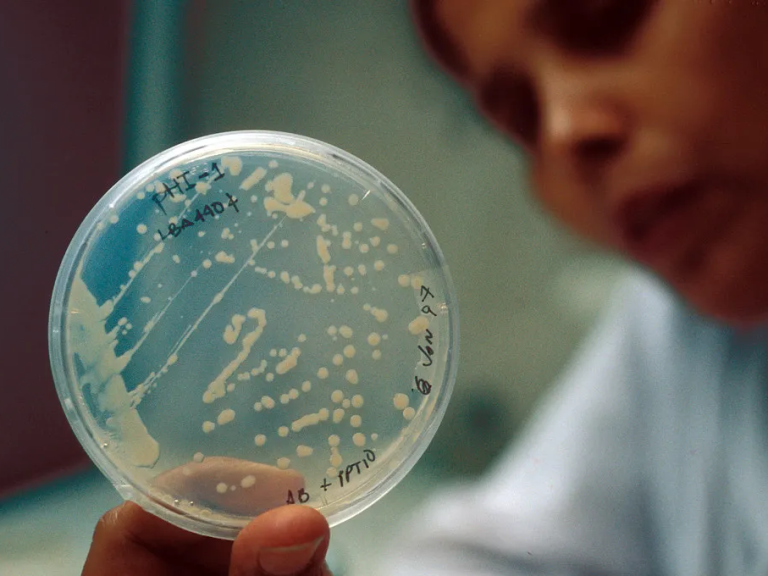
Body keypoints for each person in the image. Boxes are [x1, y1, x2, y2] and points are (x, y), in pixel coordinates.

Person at [82, 1, 768, 574]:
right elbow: (501, 556)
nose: (562, 132)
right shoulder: (678, 332)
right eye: (516, 117)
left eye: (601, 18)